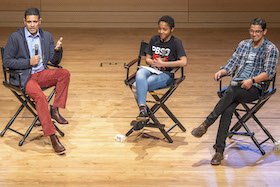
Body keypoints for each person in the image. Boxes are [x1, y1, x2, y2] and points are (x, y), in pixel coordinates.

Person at [191, 18, 279, 165]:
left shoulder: (271, 49)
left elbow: (268, 73)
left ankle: (206, 124)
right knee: (227, 108)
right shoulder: (243, 44)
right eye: (252, 31)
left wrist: (252, 80)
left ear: (264, 32)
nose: (254, 34)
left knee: (230, 92)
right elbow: (232, 64)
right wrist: (222, 71)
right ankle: (219, 151)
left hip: (255, 88)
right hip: (236, 86)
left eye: (258, 31)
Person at [3, 8, 70, 154]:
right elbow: (6, 61)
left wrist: (58, 50)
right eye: (29, 22)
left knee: (64, 73)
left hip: (41, 73)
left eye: (35, 21)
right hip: (24, 76)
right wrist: (28, 62)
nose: (32, 25)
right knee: (40, 97)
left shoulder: (46, 36)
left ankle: (54, 109)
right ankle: (53, 137)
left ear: (40, 21)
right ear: (24, 22)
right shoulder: (16, 37)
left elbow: (54, 60)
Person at [132, 15, 187, 126]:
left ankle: (144, 115)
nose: (161, 31)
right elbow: (147, 58)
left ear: (172, 29)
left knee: (135, 86)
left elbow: (183, 62)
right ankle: (143, 110)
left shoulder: (176, 42)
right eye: (160, 28)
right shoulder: (154, 39)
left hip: (166, 74)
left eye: (165, 29)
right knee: (140, 72)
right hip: (152, 69)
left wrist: (164, 64)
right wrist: (153, 62)